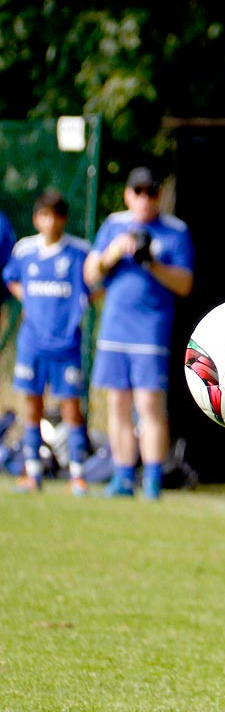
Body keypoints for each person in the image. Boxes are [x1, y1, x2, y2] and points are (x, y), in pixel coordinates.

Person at [84, 167, 194, 500]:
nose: (145, 199)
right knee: (117, 403)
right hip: (114, 328)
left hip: (150, 331)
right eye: (139, 192)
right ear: (128, 195)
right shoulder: (114, 225)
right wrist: (112, 255)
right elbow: (90, 275)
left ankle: (153, 479)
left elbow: (185, 284)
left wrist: (152, 263)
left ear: (159, 195)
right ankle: (122, 476)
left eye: (151, 192)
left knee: (149, 405)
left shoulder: (175, 231)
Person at [3, 188, 93, 494]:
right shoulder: (25, 250)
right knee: (32, 404)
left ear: (63, 219)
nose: (49, 222)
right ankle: (32, 472)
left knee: (71, 407)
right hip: (32, 342)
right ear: (36, 218)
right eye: (43, 215)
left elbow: (95, 285)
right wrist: (26, 298)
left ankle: (77, 474)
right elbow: (11, 278)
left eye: (55, 215)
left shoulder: (79, 252)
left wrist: (81, 305)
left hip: (66, 344)